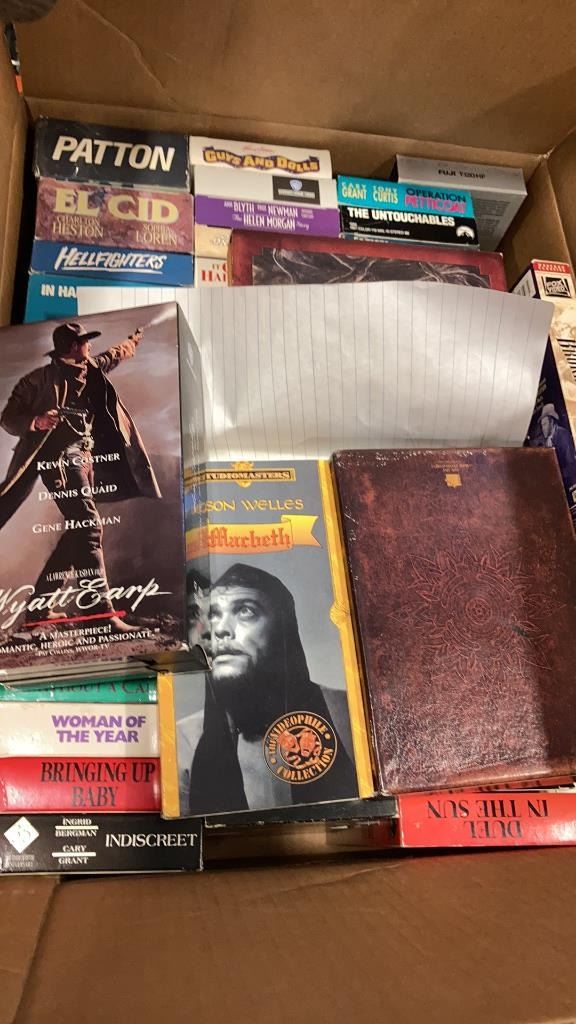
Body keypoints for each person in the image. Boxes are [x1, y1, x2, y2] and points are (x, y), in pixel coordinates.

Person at [0, 320, 160, 631]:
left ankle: (38, 611)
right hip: (58, 461)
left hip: (85, 458)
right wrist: (37, 421)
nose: (89, 346)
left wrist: (134, 340)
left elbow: (115, 354)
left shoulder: (91, 366)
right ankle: (102, 614)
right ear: (74, 347)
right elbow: (8, 418)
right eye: (85, 341)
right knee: (87, 526)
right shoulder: (37, 380)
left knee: (78, 531)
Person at [178, 562, 357, 814]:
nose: (220, 630)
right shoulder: (184, 742)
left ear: (283, 629)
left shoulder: (350, 715)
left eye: (245, 611)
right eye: (213, 615)